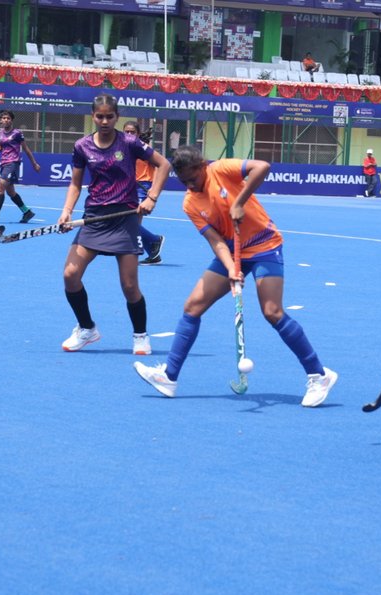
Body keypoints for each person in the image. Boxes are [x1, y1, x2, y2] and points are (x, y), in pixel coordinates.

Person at [133, 146, 338, 407]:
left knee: (272, 311)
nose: (189, 186)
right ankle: (169, 376)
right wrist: (231, 269)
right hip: (231, 249)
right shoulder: (190, 202)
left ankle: (319, 375)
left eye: (192, 179)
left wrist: (239, 202)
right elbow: (215, 241)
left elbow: (262, 166)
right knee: (193, 306)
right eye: (183, 182)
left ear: (202, 167)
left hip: (264, 245)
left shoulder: (220, 169)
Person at [58, 93, 170, 355]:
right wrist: (66, 211)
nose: (105, 120)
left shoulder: (130, 143)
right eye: (100, 116)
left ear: (117, 116)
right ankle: (87, 329)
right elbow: (76, 184)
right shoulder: (82, 146)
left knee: (130, 286)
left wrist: (152, 197)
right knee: (70, 275)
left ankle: (140, 335)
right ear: (93, 116)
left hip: (125, 219)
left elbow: (164, 164)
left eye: (110, 116)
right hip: (95, 218)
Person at [0, 110, 40, 224]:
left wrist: (34, 163)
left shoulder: (17, 133)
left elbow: (26, 148)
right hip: (4, 163)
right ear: (0, 120)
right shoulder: (0, 133)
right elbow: (2, 148)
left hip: (13, 163)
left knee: (0, 187)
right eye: (4, 118)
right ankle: (27, 212)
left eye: (8, 118)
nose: (6, 120)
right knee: (10, 192)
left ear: (11, 120)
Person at [123, 121, 165, 265]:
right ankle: (153, 250)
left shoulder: (144, 149)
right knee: (129, 223)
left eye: (132, 132)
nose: (129, 134)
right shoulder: (122, 148)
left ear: (138, 134)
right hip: (128, 188)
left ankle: (152, 242)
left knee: (132, 223)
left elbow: (160, 167)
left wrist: (153, 189)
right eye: (126, 132)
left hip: (142, 188)